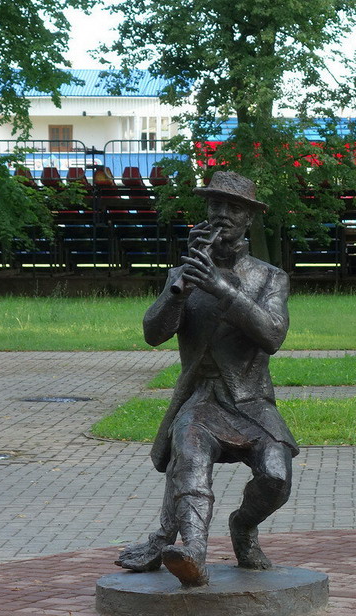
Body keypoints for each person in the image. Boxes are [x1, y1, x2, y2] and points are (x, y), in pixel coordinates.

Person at [115, 171, 297, 586]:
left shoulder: (270, 278)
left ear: (249, 217)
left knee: (276, 477)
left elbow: (272, 336)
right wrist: (179, 289)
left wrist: (221, 288)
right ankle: (192, 553)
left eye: (233, 207)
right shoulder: (183, 274)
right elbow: (153, 334)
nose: (222, 214)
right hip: (200, 399)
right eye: (216, 204)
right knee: (191, 457)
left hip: (251, 402)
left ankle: (243, 527)